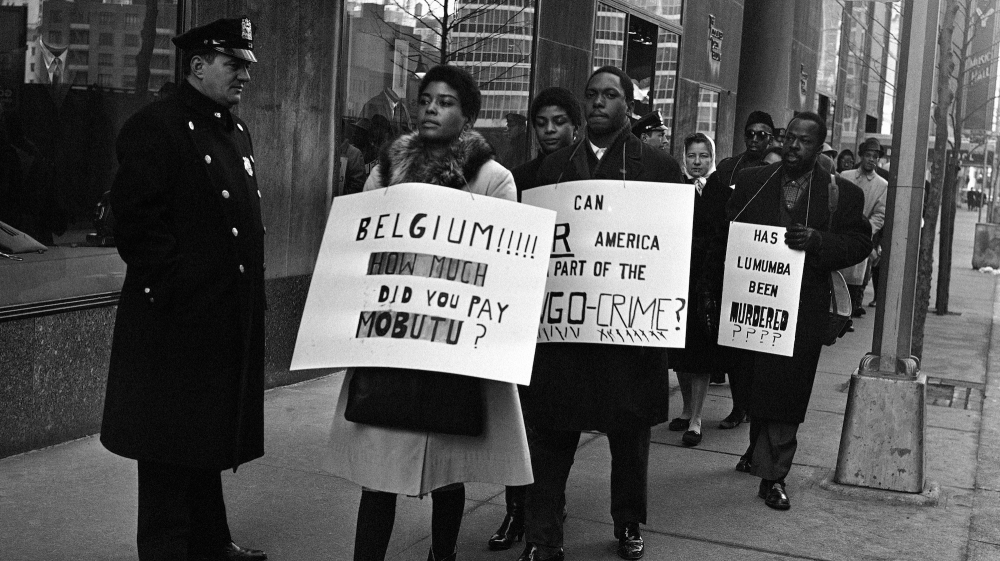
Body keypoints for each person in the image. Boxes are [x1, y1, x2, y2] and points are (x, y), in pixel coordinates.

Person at [328, 65, 531, 561]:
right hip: (394, 339)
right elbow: (362, 242)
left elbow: (503, 266)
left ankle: (444, 555)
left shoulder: (493, 178)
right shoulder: (385, 169)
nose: (431, 110)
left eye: (445, 102)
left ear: (468, 117)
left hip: (451, 348)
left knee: (447, 468)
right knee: (379, 470)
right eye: (425, 100)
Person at [100, 18, 267, 561]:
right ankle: (167, 548)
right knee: (167, 445)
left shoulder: (233, 131)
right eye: (233, 64)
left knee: (206, 435)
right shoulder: (157, 126)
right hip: (174, 320)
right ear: (197, 66)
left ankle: (210, 539)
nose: (244, 75)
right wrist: (174, 291)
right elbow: (136, 222)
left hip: (222, 315)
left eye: (245, 65)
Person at [518, 66, 682, 561]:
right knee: (551, 435)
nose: (598, 102)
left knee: (628, 437)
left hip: (627, 331)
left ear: (628, 105)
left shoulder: (659, 168)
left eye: (610, 95)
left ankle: (628, 522)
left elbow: (676, 250)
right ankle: (543, 535)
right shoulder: (550, 170)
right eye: (591, 94)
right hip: (564, 332)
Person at [699, 112, 871, 511]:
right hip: (751, 306)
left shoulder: (841, 194)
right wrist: (712, 290)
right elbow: (724, 235)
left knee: (788, 389)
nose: (794, 146)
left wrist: (819, 241)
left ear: (819, 147)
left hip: (802, 310)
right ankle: (757, 449)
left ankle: (774, 475)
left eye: (805, 141)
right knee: (753, 382)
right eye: (790, 137)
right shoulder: (753, 183)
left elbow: (859, 243)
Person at [486, 86, 581, 553]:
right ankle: (515, 512)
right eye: (541, 122)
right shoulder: (517, 180)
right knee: (517, 424)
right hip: (522, 322)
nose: (549, 131)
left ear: (575, 127)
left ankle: (545, 518)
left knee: (554, 430)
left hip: (568, 326)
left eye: (559, 122)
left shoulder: (592, 185)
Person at [708, 110, 775, 431]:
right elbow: (714, 211)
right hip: (731, 261)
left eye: (762, 134)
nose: (755, 139)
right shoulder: (728, 168)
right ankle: (738, 406)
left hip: (765, 267)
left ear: (771, 138)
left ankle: (754, 405)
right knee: (734, 341)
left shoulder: (777, 168)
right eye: (750, 133)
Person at [667, 132, 727, 447]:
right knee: (680, 351)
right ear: (684, 157)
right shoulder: (676, 190)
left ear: (711, 158)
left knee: (701, 353)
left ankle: (697, 419)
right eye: (692, 155)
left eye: (703, 156)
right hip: (679, 281)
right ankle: (686, 408)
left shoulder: (721, 192)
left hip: (706, 284)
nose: (697, 162)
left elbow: (722, 238)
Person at [838, 138, 887, 317]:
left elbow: (880, 214)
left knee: (856, 280)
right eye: (868, 155)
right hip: (841, 234)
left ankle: (848, 316)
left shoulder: (882, 185)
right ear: (861, 156)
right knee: (836, 277)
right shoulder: (845, 176)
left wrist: (866, 230)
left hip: (861, 238)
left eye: (875, 156)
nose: (871, 159)